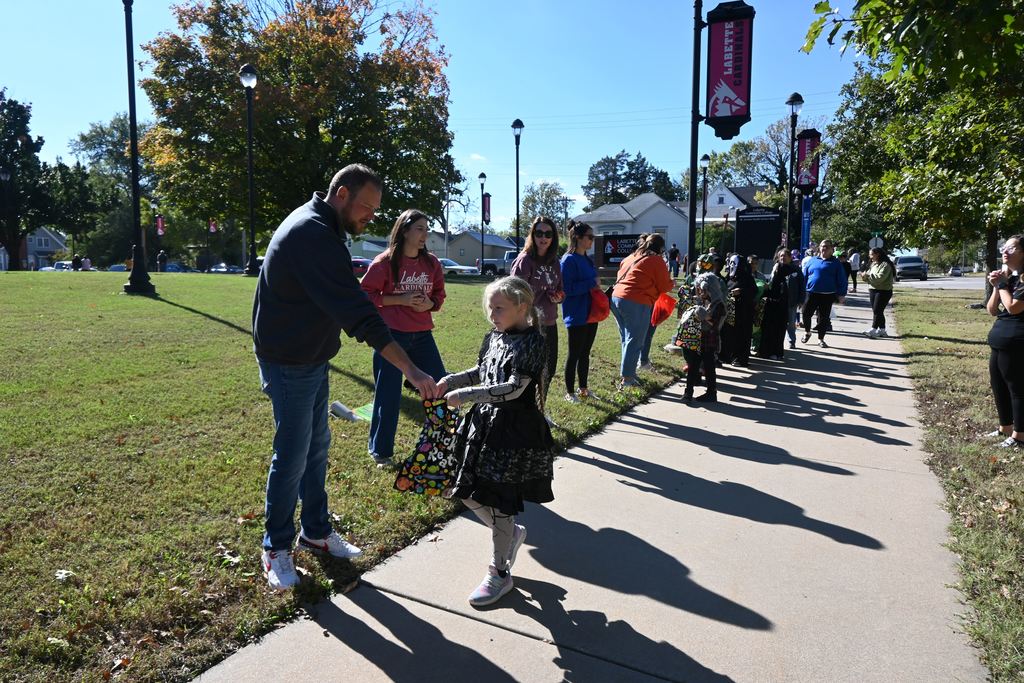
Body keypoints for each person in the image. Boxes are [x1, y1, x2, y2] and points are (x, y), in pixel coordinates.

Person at [252, 163, 439, 591]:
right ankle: (276, 546)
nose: (371, 217)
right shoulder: (312, 233)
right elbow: (358, 311)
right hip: (289, 360)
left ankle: (315, 532)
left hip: (310, 356)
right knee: (293, 452)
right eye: (367, 208)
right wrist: (408, 367)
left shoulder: (324, 225)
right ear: (341, 194)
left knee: (317, 445)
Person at [438, 276, 556, 606]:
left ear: (523, 307)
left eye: (499, 308)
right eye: (490, 307)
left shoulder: (533, 342)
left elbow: (514, 388)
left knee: (501, 501)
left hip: (513, 433)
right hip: (483, 425)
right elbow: (484, 370)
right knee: (460, 488)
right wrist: (451, 380)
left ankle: (500, 573)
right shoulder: (496, 336)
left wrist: (465, 395)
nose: (493, 314)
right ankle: (510, 535)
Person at [360, 209, 447, 468]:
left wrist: (428, 304)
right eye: (420, 228)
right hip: (390, 338)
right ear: (405, 230)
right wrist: (400, 299)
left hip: (422, 336)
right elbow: (365, 296)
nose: (425, 234)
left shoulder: (431, 263)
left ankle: (441, 442)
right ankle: (381, 451)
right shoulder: (384, 263)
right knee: (388, 395)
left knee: (439, 387)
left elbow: (439, 298)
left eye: (427, 229)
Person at [510, 216, 564, 409]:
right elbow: (513, 293)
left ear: (553, 237)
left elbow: (560, 289)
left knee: (548, 370)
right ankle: (525, 414)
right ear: (533, 235)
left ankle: (540, 412)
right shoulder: (525, 260)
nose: (543, 237)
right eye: (539, 233)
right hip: (528, 326)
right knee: (527, 373)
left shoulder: (555, 262)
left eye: (548, 234)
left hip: (549, 323)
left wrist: (557, 296)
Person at [610, 234, 674, 388]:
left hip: (616, 298)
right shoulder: (656, 260)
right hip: (636, 301)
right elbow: (664, 286)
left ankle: (629, 373)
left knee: (627, 338)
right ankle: (627, 379)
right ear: (660, 248)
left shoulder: (631, 256)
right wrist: (671, 282)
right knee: (635, 340)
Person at [985, 235, 1024, 448]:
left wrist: (1001, 285)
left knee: (1016, 388)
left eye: (1012, 248)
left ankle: (1019, 436)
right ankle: (1005, 427)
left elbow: (1014, 307)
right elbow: (992, 310)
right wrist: (996, 285)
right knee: (998, 385)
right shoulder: (1008, 278)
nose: (1005, 251)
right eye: (1004, 247)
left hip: (1017, 341)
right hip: (999, 341)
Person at [560, 220, 599, 402]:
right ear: (578, 238)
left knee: (585, 353)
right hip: (576, 314)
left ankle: (583, 388)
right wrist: (591, 284)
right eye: (590, 237)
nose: (593, 240)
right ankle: (569, 392)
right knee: (574, 354)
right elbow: (567, 289)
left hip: (591, 313)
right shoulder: (568, 260)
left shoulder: (587, 260)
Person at [683, 273, 726, 403]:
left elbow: (715, 323)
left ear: (710, 289)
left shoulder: (719, 304)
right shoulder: (703, 301)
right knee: (692, 366)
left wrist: (704, 315)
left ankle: (711, 393)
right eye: (699, 290)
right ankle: (688, 392)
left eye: (702, 290)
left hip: (709, 341)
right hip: (697, 338)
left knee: (709, 367)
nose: (700, 292)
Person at [801, 239, 847, 348]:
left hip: (827, 294)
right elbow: (804, 276)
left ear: (832, 249)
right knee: (805, 313)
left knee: (823, 318)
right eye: (822, 246)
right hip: (811, 293)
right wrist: (801, 291)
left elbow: (842, 279)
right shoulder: (812, 260)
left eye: (827, 246)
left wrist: (842, 294)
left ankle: (820, 339)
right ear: (819, 248)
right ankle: (807, 332)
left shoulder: (836, 263)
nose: (824, 248)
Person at [756, 247, 799, 360]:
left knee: (779, 329)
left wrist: (800, 300)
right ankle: (765, 351)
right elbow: (771, 284)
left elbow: (799, 286)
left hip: (784, 304)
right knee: (768, 328)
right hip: (772, 303)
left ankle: (777, 352)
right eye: (781, 256)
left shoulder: (794, 270)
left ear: (790, 258)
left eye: (785, 256)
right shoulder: (776, 268)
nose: (783, 258)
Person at [726, 255, 757, 367]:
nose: (732, 266)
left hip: (744, 313)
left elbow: (754, 291)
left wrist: (741, 291)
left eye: (734, 263)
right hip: (731, 313)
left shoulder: (747, 278)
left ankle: (741, 359)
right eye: (731, 263)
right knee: (731, 335)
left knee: (743, 335)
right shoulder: (729, 278)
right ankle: (730, 356)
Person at [861, 247, 895, 338]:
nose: (870, 256)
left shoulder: (886, 265)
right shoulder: (873, 264)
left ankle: (873, 329)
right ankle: (882, 330)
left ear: (877, 254)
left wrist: (867, 275)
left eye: (871, 254)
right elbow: (868, 277)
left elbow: (880, 278)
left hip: (884, 291)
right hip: (873, 289)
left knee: (877, 310)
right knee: (878, 311)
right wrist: (864, 276)